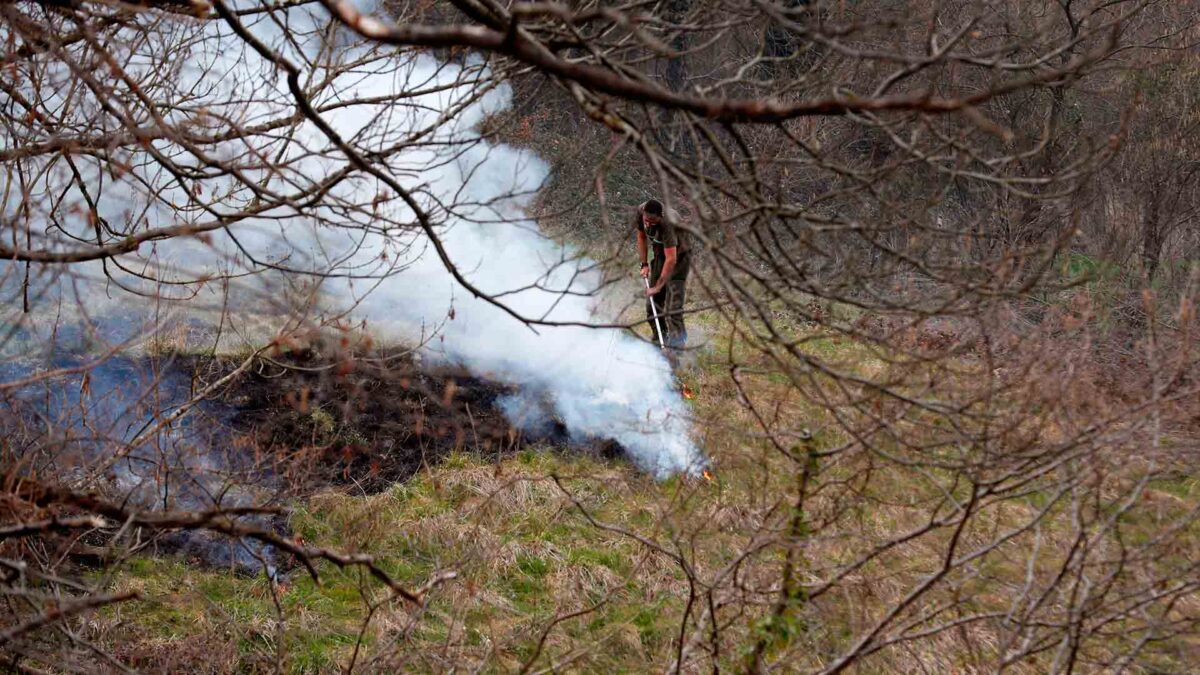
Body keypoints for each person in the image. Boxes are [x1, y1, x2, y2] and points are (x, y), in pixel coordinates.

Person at [635, 198, 690, 356]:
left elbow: (671, 259)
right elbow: (641, 236)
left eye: (653, 221)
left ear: (660, 217)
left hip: (679, 257)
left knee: (673, 308)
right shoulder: (641, 211)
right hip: (660, 255)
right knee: (652, 304)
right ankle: (660, 341)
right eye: (647, 221)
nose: (649, 224)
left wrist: (658, 286)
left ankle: (677, 350)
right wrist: (644, 264)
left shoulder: (669, 224)